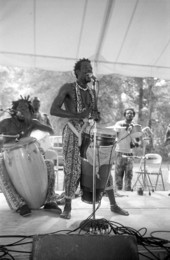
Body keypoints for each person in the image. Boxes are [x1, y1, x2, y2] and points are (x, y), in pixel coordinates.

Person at [50, 58, 129, 219]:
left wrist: (96, 115)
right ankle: (67, 208)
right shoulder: (68, 88)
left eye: (90, 68)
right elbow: (53, 109)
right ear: (77, 72)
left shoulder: (92, 91)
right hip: (72, 131)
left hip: (90, 132)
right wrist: (77, 115)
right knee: (72, 168)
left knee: (102, 164)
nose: (89, 71)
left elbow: (95, 114)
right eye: (85, 68)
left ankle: (113, 205)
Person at [0, 96, 62, 217]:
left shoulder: (32, 123)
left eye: (26, 109)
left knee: (49, 164)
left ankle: (50, 200)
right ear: (14, 110)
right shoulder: (6, 123)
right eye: (20, 108)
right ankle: (19, 204)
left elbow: (51, 131)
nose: (23, 111)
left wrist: (39, 132)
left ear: (30, 111)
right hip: (9, 157)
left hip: (29, 155)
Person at [114, 108, 140, 191]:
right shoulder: (119, 124)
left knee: (129, 174)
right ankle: (118, 192)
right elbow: (115, 136)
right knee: (118, 174)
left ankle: (128, 192)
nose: (130, 114)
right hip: (119, 152)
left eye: (132, 113)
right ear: (125, 115)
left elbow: (137, 140)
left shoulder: (135, 126)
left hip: (130, 153)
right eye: (128, 113)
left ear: (133, 115)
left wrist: (135, 143)